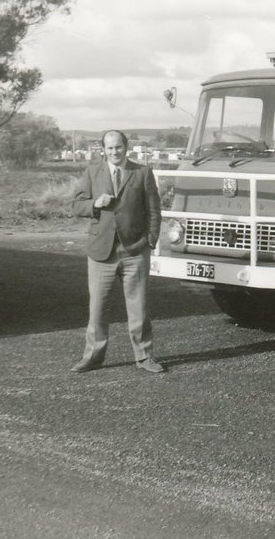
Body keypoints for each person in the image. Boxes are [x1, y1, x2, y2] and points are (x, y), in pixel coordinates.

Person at [69, 130, 165, 374]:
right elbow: (76, 206)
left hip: (134, 251)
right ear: (104, 149)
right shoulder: (93, 172)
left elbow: (154, 211)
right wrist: (95, 204)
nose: (115, 152)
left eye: (119, 147)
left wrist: (150, 241)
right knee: (98, 309)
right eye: (110, 148)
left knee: (139, 308)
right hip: (101, 251)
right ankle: (93, 357)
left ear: (127, 147)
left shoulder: (142, 173)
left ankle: (144, 357)